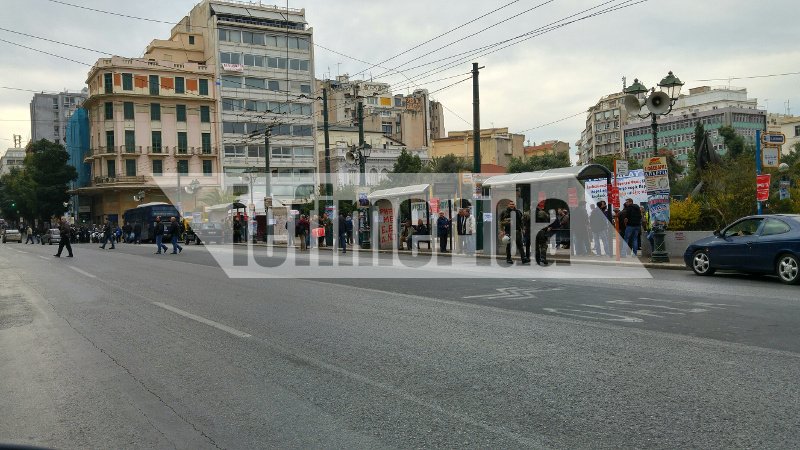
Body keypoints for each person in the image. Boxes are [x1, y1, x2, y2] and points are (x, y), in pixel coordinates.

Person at [499, 200, 526, 265]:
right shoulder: (504, 212)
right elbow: (500, 222)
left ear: (515, 205)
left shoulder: (518, 212)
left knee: (520, 245)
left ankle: (524, 258)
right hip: (509, 231)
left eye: (513, 204)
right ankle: (508, 259)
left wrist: (523, 229)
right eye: (510, 204)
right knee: (509, 246)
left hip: (517, 231)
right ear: (508, 205)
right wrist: (502, 231)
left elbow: (521, 222)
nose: (512, 205)